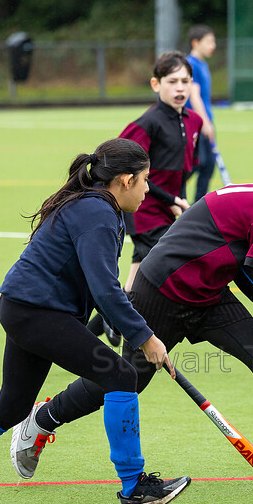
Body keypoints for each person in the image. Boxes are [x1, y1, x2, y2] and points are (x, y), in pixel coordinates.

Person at [10, 143, 253, 480]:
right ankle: (42, 419)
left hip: (207, 292)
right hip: (163, 292)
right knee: (129, 380)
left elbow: (242, 260)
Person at [0, 138, 191, 504]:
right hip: (37, 311)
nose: (149, 190)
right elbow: (105, 287)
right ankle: (135, 490)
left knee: (11, 407)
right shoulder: (97, 212)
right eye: (146, 181)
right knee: (120, 375)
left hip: (24, 307)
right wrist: (145, 337)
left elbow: (97, 286)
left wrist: (119, 325)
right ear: (125, 180)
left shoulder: (96, 206)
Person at [84, 51, 202, 344]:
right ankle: (121, 319)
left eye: (185, 81)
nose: (180, 88)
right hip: (143, 207)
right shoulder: (147, 123)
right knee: (163, 265)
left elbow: (183, 170)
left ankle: (97, 327)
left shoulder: (194, 121)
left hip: (168, 206)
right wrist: (170, 198)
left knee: (142, 267)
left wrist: (178, 199)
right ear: (155, 84)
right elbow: (118, 160)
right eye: (172, 81)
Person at [185, 24, 218, 202]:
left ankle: (198, 207)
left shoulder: (202, 64)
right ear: (195, 42)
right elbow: (194, 94)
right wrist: (204, 122)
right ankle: (172, 193)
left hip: (206, 121)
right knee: (199, 164)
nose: (213, 45)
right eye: (209, 42)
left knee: (208, 166)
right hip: (196, 123)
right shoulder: (191, 64)